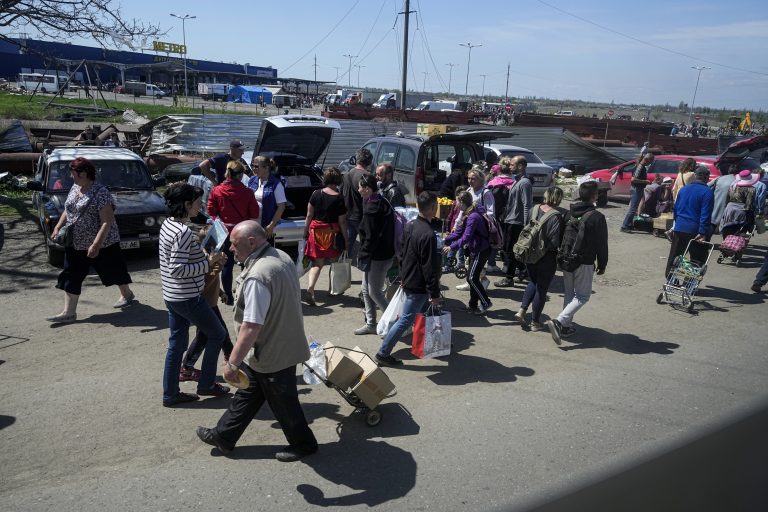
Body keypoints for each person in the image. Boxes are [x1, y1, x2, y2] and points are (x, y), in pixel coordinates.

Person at [196, 221, 318, 462]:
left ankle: (304, 444)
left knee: (283, 401)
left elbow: (251, 326)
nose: (230, 249)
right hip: (281, 342)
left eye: (234, 243)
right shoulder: (279, 256)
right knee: (250, 391)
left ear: (251, 242)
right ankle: (224, 436)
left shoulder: (257, 276)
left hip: (272, 351)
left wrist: (232, 363)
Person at [159, 183, 230, 407]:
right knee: (217, 334)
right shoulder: (182, 233)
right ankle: (207, 384)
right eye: (197, 201)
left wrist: (204, 257)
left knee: (177, 346)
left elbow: (177, 263)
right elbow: (177, 269)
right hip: (187, 297)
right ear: (187, 204)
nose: (201, 204)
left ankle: (170, 394)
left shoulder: (169, 225)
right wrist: (208, 262)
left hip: (173, 296)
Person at [46, 157, 135, 323]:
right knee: (71, 274)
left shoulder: (101, 192)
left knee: (114, 271)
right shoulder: (75, 187)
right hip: (76, 243)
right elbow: (69, 209)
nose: (70, 176)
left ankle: (126, 294)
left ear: (84, 173)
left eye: (73, 173)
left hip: (103, 244)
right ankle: (69, 312)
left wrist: (96, 245)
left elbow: (107, 222)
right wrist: (58, 226)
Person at [375, 192, 442, 366]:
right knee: (406, 319)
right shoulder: (428, 234)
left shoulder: (410, 226)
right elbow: (429, 267)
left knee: (429, 313)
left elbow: (403, 255)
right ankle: (383, 353)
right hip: (418, 285)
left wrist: (404, 276)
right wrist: (434, 292)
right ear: (434, 208)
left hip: (410, 279)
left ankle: (438, 341)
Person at [546, 181, 608, 344]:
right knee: (582, 296)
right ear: (594, 197)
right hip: (584, 261)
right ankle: (559, 322)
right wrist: (602, 264)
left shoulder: (569, 213)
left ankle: (565, 326)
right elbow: (602, 243)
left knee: (569, 293)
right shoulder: (597, 217)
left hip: (566, 259)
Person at [180, 225, 235, 382]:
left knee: (219, 331)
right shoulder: (204, 260)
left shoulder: (213, 258)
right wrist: (218, 265)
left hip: (211, 303)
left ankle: (230, 356)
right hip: (203, 304)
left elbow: (213, 281)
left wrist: (221, 292)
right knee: (204, 336)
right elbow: (205, 279)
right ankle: (186, 368)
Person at [207, 160, 260, 305]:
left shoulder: (217, 190)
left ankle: (229, 296)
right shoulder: (248, 192)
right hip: (243, 231)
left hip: (224, 233)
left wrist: (218, 220)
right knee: (246, 263)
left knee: (227, 264)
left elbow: (211, 211)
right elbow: (255, 212)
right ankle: (245, 292)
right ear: (241, 174)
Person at [514, 186, 565, 331]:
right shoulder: (556, 216)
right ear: (559, 198)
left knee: (532, 282)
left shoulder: (534, 209)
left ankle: (522, 310)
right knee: (541, 289)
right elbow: (554, 241)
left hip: (529, 253)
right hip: (546, 257)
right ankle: (535, 322)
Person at [355, 174, 396, 334]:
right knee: (366, 289)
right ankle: (371, 324)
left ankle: (393, 323)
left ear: (367, 189)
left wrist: (362, 254)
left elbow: (371, 237)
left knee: (375, 292)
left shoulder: (373, 208)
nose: (358, 190)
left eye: (360, 187)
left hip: (379, 256)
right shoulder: (378, 199)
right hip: (379, 254)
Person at [303, 167, 348, 306]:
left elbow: (309, 215)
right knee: (334, 263)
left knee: (317, 263)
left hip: (316, 232)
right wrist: (346, 239)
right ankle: (332, 290)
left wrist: (305, 230)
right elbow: (342, 221)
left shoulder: (316, 194)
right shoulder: (340, 198)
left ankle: (310, 289)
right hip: (332, 234)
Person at [443, 191, 493, 315]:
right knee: (472, 278)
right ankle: (473, 306)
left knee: (471, 278)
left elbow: (466, 237)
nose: (455, 204)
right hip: (476, 249)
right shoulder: (469, 213)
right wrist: (445, 239)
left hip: (481, 250)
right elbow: (459, 232)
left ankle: (486, 302)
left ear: (462, 202)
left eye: (457, 202)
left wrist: (451, 247)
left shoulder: (473, 217)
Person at [664, 167, 714, 277]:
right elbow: (705, 215)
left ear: (695, 176)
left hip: (680, 227)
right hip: (695, 230)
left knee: (675, 255)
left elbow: (676, 209)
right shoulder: (707, 192)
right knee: (697, 259)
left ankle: (670, 278)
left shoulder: (684, 189)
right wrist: (702, 232)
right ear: (706, 177)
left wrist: (677, 224)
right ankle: (689, 283)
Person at [495, 156, 533, 287]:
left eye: (512, 165)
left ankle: (509, 278)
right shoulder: (517, 181)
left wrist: (526, 225)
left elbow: (527, 205)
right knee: (508, 249)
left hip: (517, 223)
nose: (509, 167)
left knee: (511, 251)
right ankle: (523, 270)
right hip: (510, 220)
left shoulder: (525, 183)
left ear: (521, 166)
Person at [341, 148, 373, 261]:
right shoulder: (367, 176)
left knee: (347, 246)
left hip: (347, 215)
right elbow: (371, 198)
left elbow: (341, 195)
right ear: (369, 162)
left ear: (357, 160)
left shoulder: (346, 175)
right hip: (361, 217)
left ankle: (343, 273)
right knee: (366, 245)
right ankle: (365, 270)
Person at [248, 155, 287, 244]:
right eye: (252, 166)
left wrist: (271, 226)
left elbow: (281, 207)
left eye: (256, 167)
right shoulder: (252, 180)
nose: (254, 169)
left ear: (266, 168)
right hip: (251, 226)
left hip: (266, 227)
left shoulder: (276, 184)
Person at [620, 153, 653, 233]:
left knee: (633, 208)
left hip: (638, 188)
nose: (651, 163)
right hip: (636, 189)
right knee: (633, 209)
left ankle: (629, 224)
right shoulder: (640, 167)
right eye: (651, 161)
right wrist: (645, 181)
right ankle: (625, 226)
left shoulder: (641, 166)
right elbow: (633, 179)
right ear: (647, 159)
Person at [720, 170, 758, 237]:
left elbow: (727, 198)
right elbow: (749, 205)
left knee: (728, 229)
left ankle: (727, 243)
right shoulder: (751, 189)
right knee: (738, 231)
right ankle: (735, 245)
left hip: (729, 209)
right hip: (741, 211)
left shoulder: (733, 186)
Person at [709, 164, 739, 235]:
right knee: (727, 227)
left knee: (712, 223)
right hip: (730, 207)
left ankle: (705, 241)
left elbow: (708, 185)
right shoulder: (738, 181)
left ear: (729, 171)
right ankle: (726, 243)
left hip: (717, 204)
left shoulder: (719, 178)